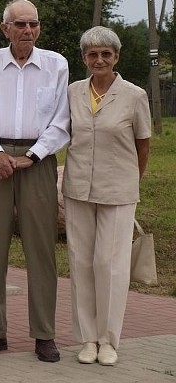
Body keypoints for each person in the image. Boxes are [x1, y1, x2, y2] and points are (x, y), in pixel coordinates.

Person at [0, 0, 70, 363]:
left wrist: (33, 156)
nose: (28, 31)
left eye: (34, 24)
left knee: (41, 249)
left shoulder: (56, 65)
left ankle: (44, 334)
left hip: (37, 160)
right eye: (21, 25)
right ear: (5, 28)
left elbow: (61, 120)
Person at [62, 26, 151, 366]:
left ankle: (108, 340)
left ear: (116, 56)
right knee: (81, 262)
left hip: (118, 190)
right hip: (78, 188)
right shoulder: (72, 92)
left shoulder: (134, 95)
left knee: (109, 265)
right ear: (84, 58)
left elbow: (143, 144)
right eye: (92, 54)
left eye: (106, 54)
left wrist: (131, 180)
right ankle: (87, 339)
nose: (99, 60)